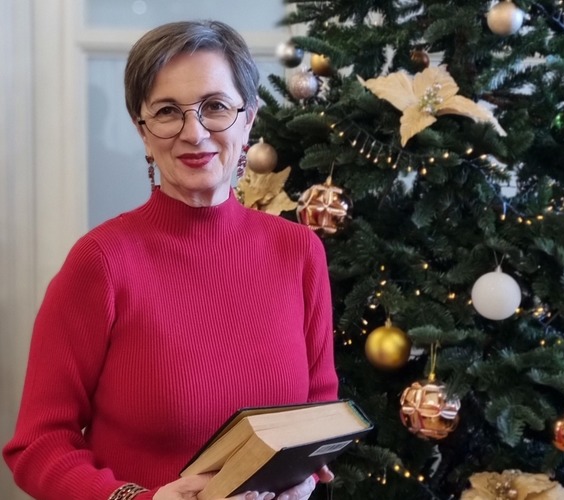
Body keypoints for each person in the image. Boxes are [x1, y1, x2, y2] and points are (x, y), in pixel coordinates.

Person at [3, 20, 338, 500]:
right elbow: (37, 446)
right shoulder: (100, 262)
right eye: (166, 112)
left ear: (249, 119)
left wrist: (301, 478)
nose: (194, 133)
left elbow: (317, 415)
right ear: (142, 132)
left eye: (215, 106)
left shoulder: (300, 251)